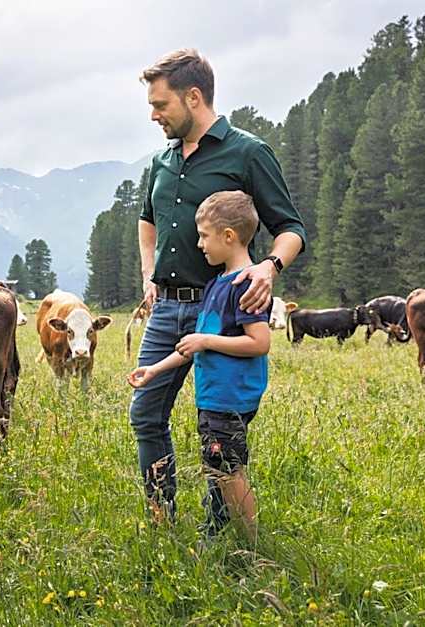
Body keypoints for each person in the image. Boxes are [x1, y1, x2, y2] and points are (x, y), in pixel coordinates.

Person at [130, 49, 306, 522]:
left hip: (223, 313)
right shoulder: (161, 161)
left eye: (161, 104)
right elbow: (147, 221)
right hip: (166, 309)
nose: (153, 114)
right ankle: (160, 515)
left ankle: (220, 529)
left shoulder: (248, 152)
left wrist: (269, 267)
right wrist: (149, 275)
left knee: (217, 427)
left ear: (193, 96)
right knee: (146, 415)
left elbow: (291, 228)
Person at [130, 190, 269, 540]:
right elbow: (191, 346)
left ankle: (250, 544)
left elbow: (259, 342)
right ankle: (220, 535)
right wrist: (155, 370)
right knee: (219, 466)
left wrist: (206, 341)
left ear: (229, 236)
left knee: (229, 471)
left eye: (204, 236)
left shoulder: (245, 284)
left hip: (230, 398)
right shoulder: (215, 285)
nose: (199, 244)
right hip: (214, 398)